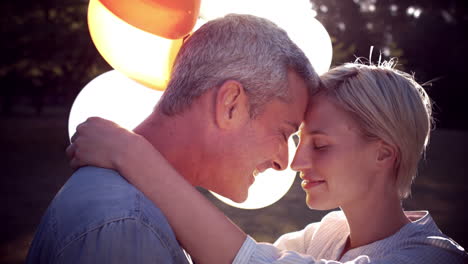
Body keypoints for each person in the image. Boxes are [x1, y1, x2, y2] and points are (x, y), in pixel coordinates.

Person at [66, 61, 467, 264]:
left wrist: (133, 153)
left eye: (321, 145)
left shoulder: (433, 257)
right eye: (298, 139)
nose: (296, 162)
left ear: (383, 153)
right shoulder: (325, 235)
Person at [26, 14, 318, 263]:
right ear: (230, 104)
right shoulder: (127, 225)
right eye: (284, 132)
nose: (284, 162)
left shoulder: (136, 212)